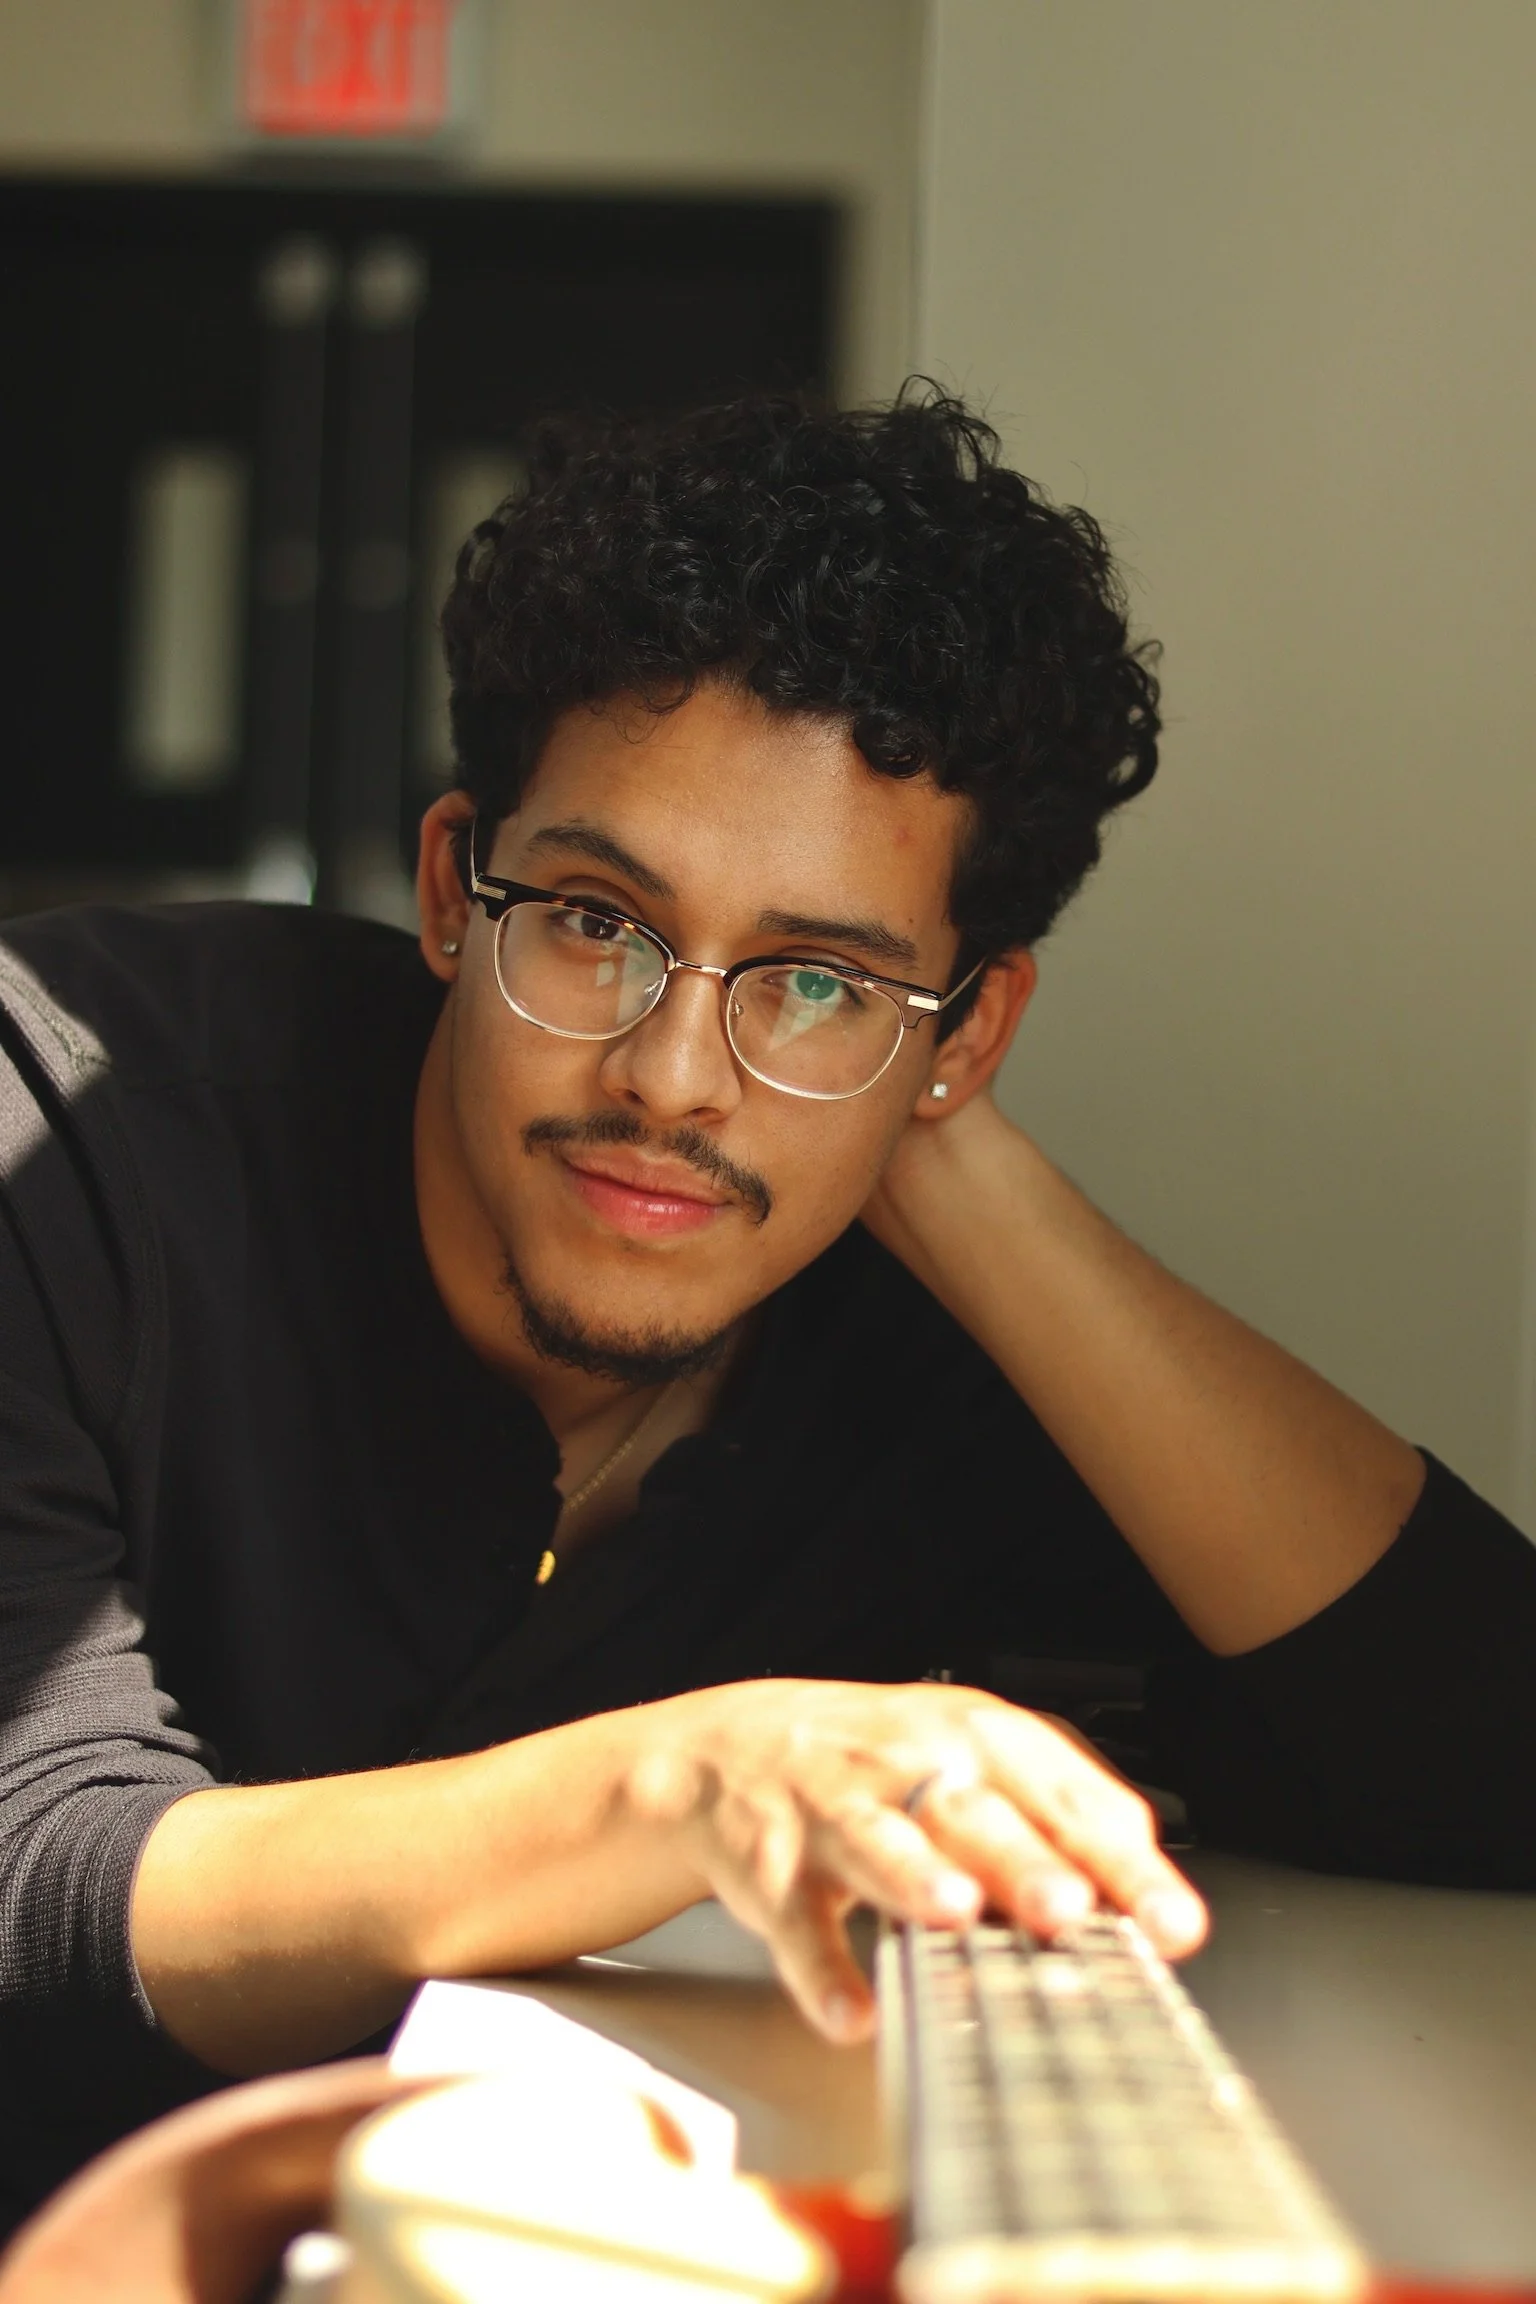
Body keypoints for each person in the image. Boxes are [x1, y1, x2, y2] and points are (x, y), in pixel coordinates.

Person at [1, 390, 1532, 2227]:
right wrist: (689, 1781)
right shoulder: (65, 1130)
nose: (670, 1076)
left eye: (819, 978)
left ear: (972, 1030)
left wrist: (937, 1149)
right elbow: (48, 1872)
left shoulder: (908, 1339)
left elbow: (1486, 1768)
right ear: (446, 890)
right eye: (593, 919)